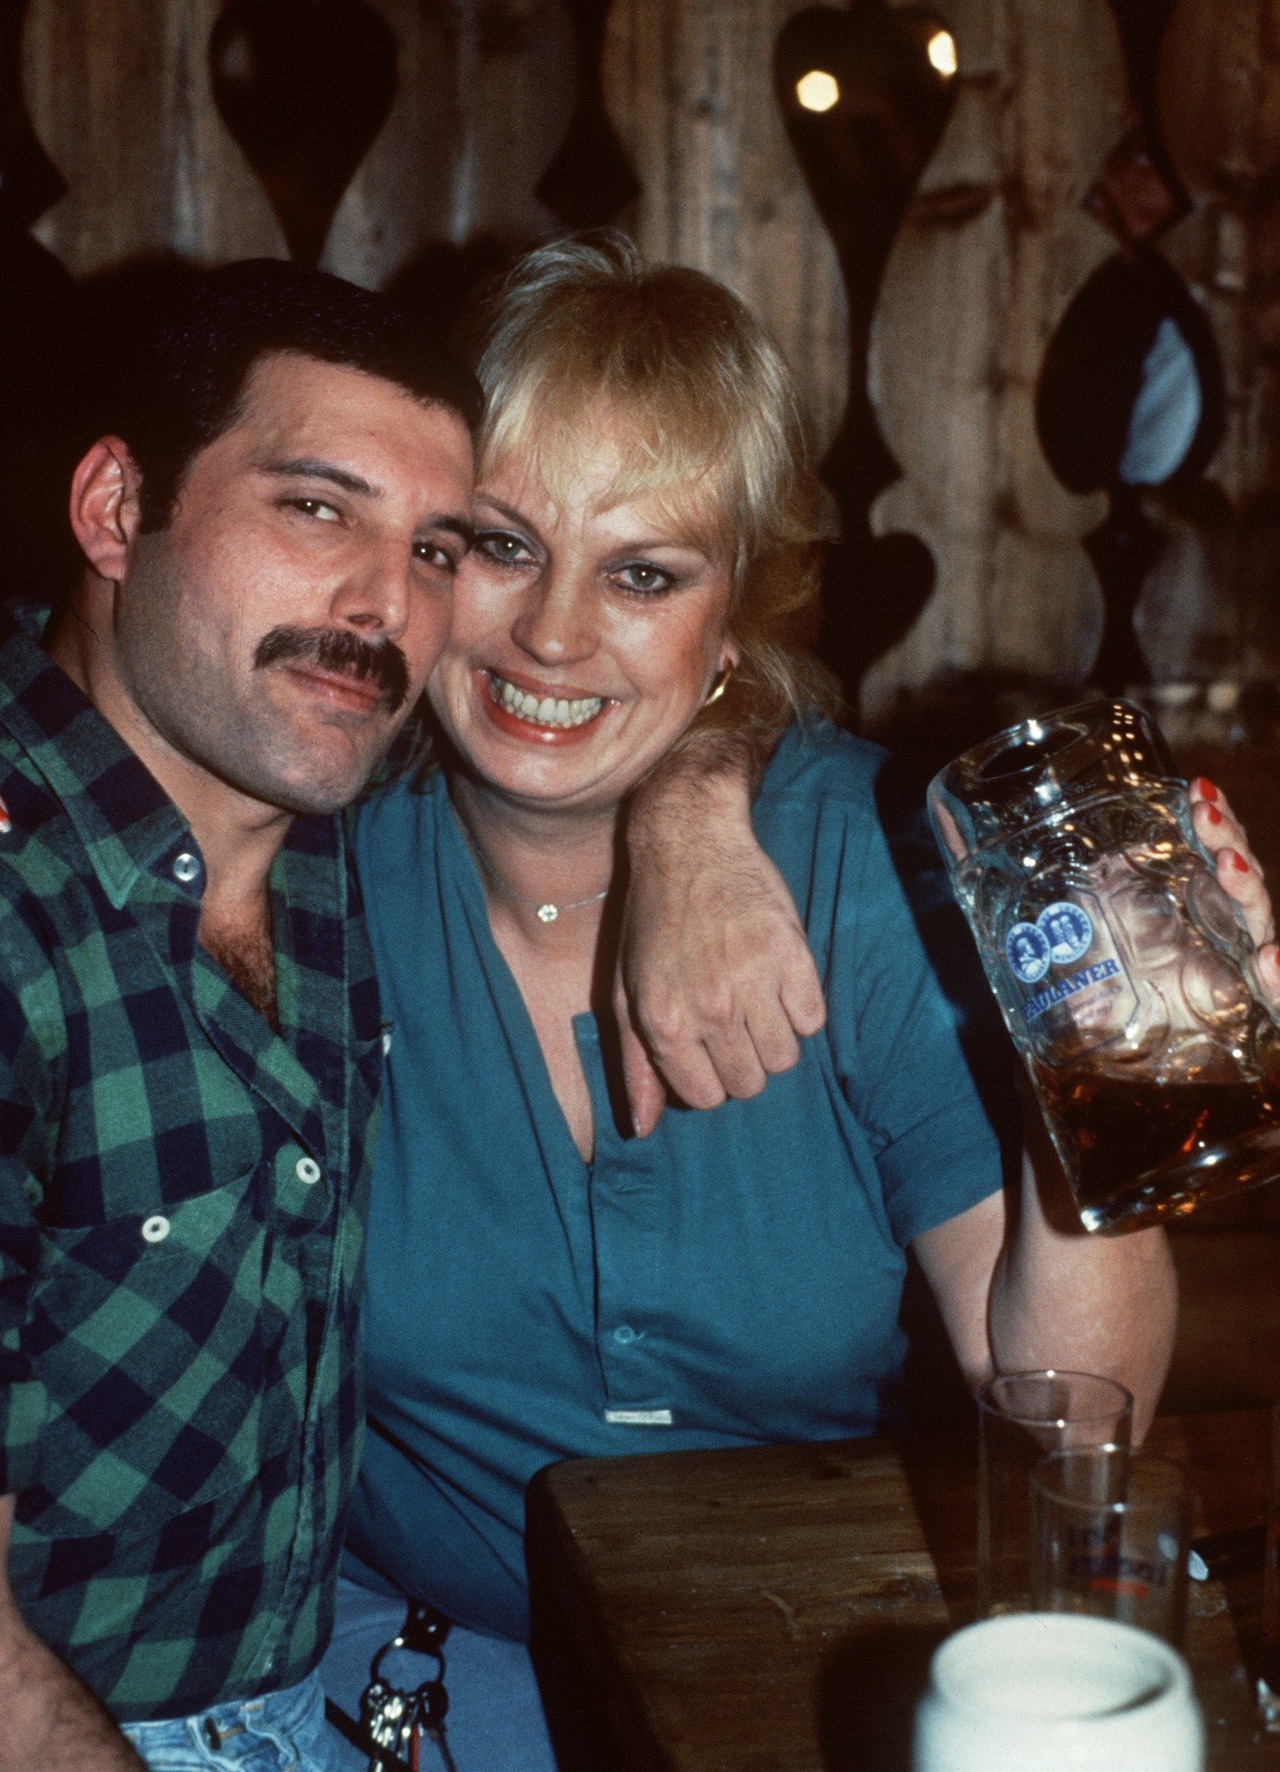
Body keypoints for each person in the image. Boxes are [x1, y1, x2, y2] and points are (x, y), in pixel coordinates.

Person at [321, 235, 1278, 1769]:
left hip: (778, 1649)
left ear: (731, 619)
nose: (556, 634)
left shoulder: (865, 863)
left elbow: (1066, 1412)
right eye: (504, 544)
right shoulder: (312, 865)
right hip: (413, 1666)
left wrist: (1096, 1091)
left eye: (644, 572)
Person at [0, 258, 809, 1772]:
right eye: (316, 509)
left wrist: (698, 804)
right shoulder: (31, 909)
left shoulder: (330, 830)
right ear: (116, 511)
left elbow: (686, 683)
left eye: (443, 545)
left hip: (328, 1688)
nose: (385, 605)